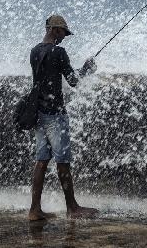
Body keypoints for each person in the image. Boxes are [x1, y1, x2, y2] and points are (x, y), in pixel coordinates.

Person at [28, 14, 99, 221]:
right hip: (55, 114)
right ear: (54, 30)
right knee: (63, 161)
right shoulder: (59, 52)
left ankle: (34, 210)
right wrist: (87, 68)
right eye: (63, 33)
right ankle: (72, 208)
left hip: (38, 114)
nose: (64, 37)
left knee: (41, 161)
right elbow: (74, 81)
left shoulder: (34, 52)